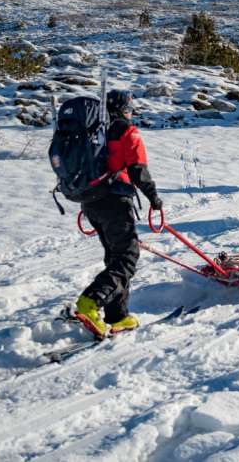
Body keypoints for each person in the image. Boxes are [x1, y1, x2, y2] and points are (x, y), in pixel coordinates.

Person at [75, 90, 162, 338]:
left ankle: (118, 316)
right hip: (115, 201)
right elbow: (138, 170)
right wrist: (154, 199)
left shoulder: (91, 131)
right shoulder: (126, 131)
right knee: (126, 257)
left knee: (115, 257)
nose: (130, 114)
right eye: (129, 110)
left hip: (90, 202)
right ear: (125, 109)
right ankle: (90, 303)